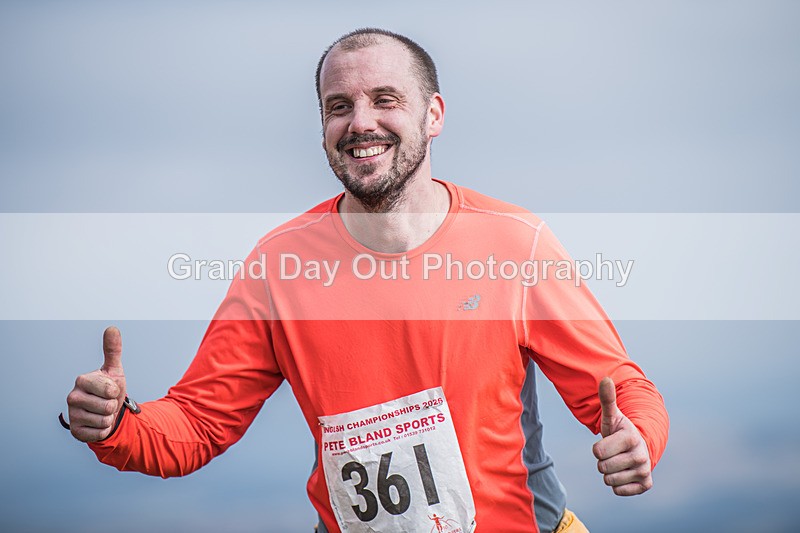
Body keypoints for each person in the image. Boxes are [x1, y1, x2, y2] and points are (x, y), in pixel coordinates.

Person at [64, 28, 668, 532]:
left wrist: (639, 439)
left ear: (433, 115)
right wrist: (115, 426)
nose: (361, 123)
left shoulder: (515, 244)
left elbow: (620, 388)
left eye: (386, 99)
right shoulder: (279, 267)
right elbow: (196, 427)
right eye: (338, 106)